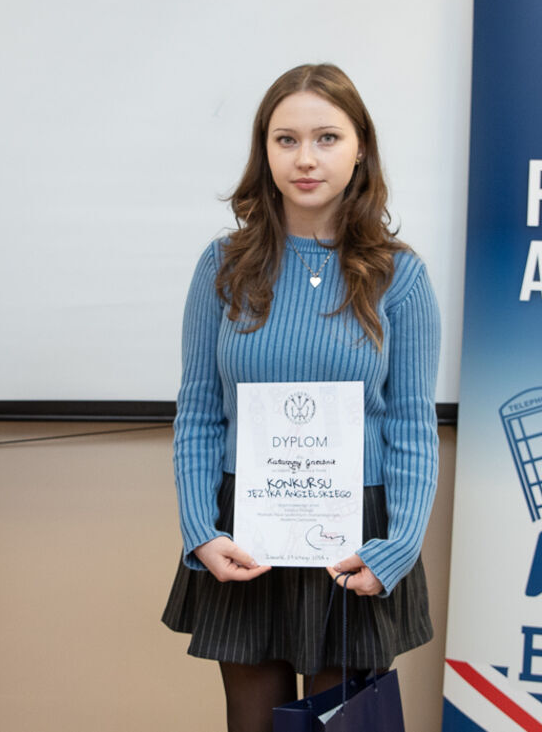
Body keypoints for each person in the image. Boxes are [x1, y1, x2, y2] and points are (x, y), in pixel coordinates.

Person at [161, 63, 440, 731]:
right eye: (285, 140)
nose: (305, 158)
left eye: (326, 138)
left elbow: (412, 425)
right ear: (264, 151)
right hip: (245, 531)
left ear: (360, 148)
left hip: (357, 537)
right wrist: (201, 530)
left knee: (340, 725)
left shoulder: (399, 276)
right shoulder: (223, 267)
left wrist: (397, 548)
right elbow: (198, 412)